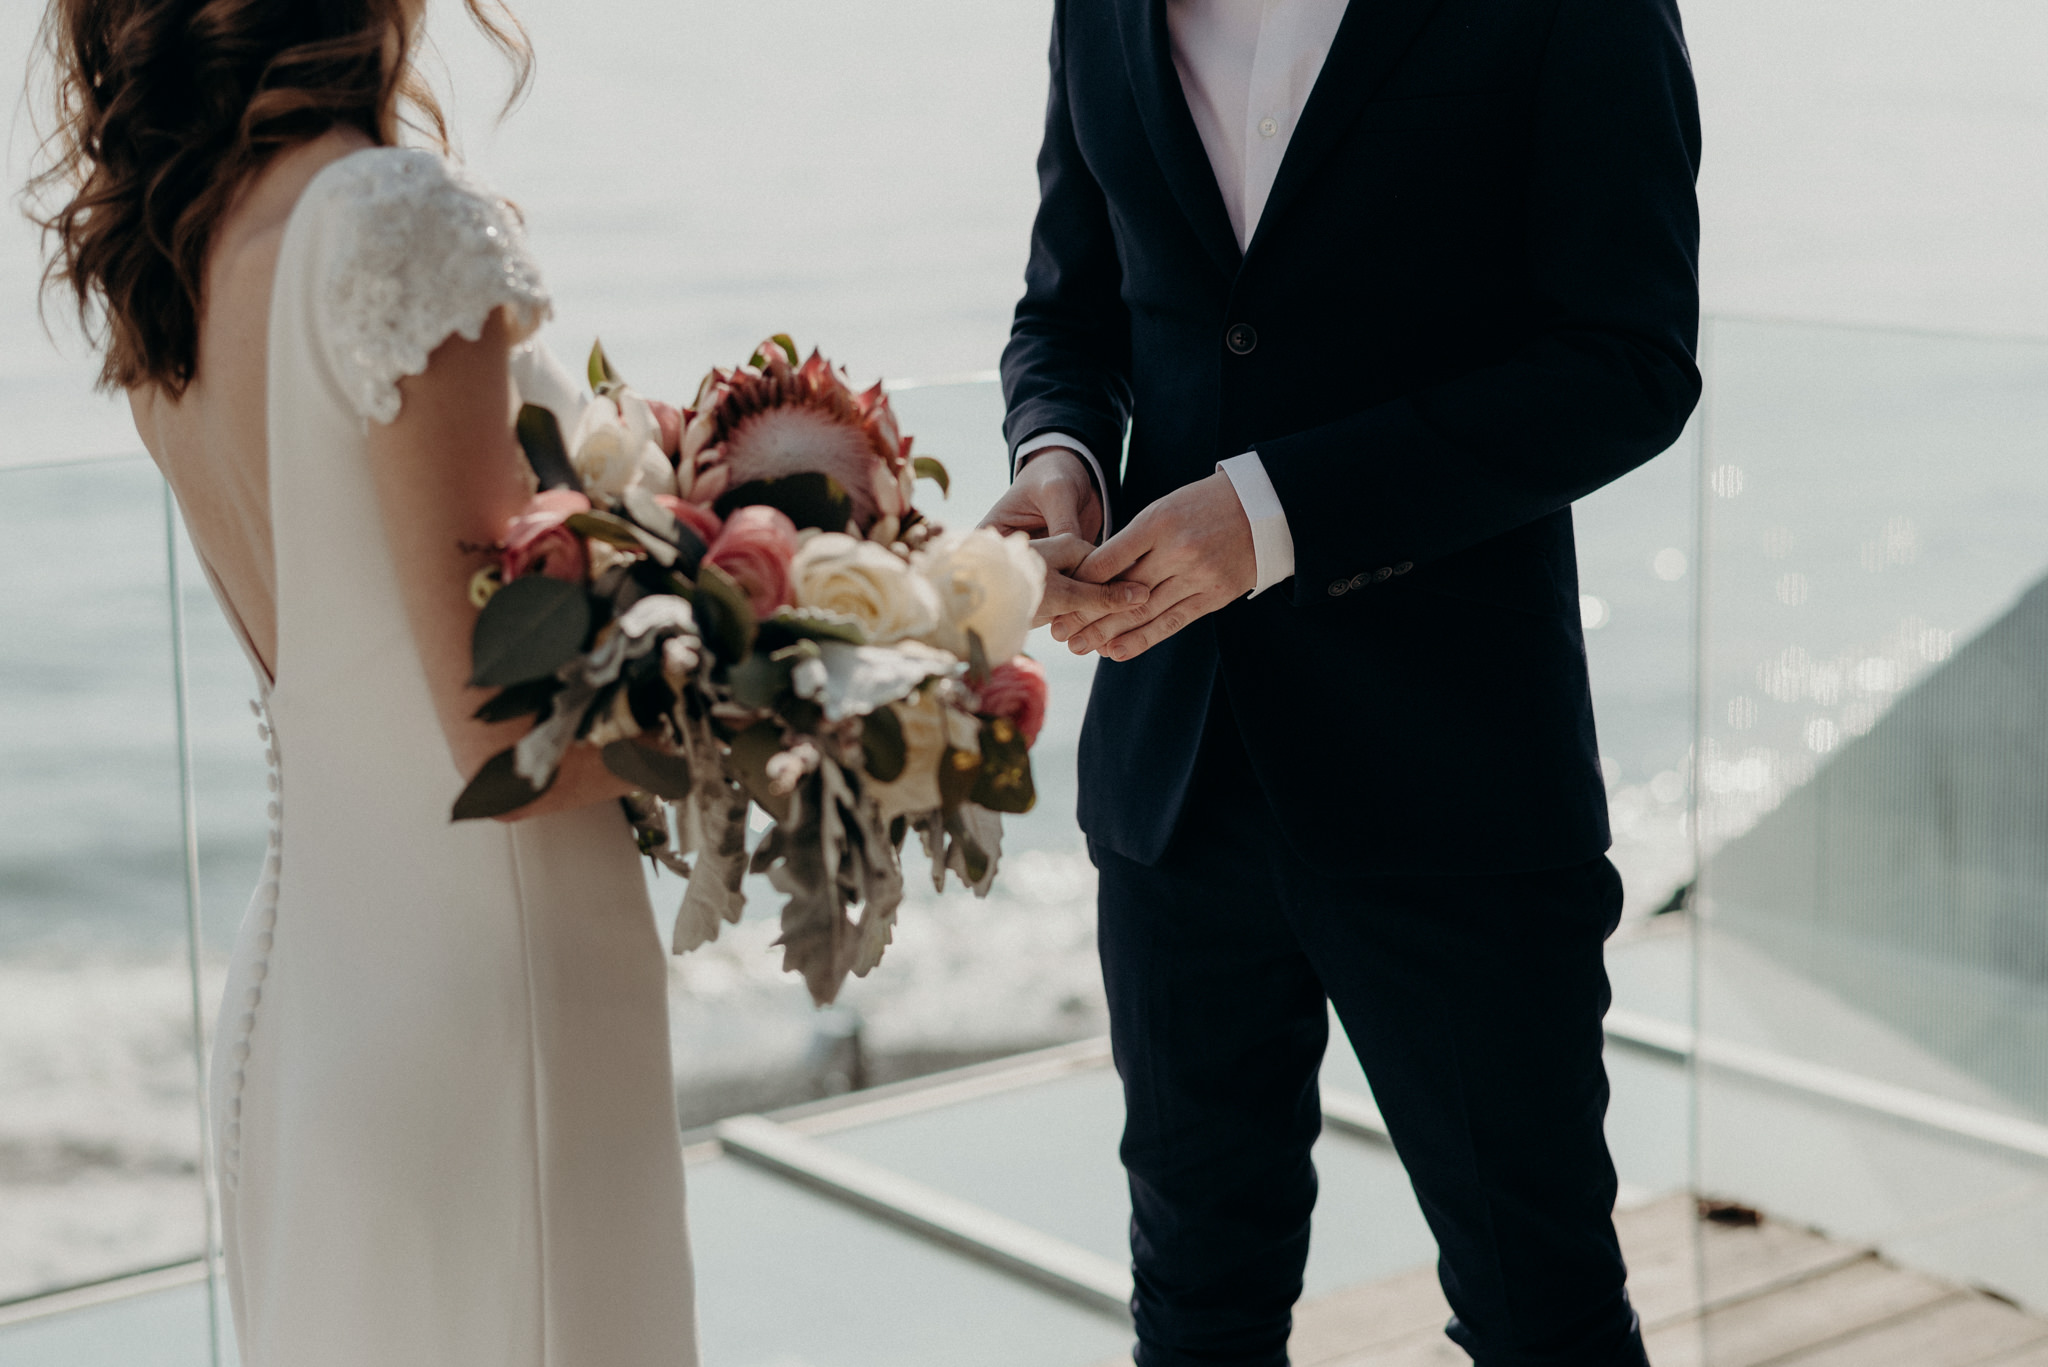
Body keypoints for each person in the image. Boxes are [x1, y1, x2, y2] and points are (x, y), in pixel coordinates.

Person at [984, 1, 1701, 1364]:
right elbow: (1068, 311)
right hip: (1175, 772)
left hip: (1456, 766)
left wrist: (1273, 513)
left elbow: (1629, 360)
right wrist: (1059, 457)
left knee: (1540, 1315)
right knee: (1195, 1312)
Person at [29, 2, 698, 1362]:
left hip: (314, 996)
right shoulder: (388, 216)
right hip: (489, 1021)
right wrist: (796, 683)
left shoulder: (186, 252)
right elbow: (503, 742)